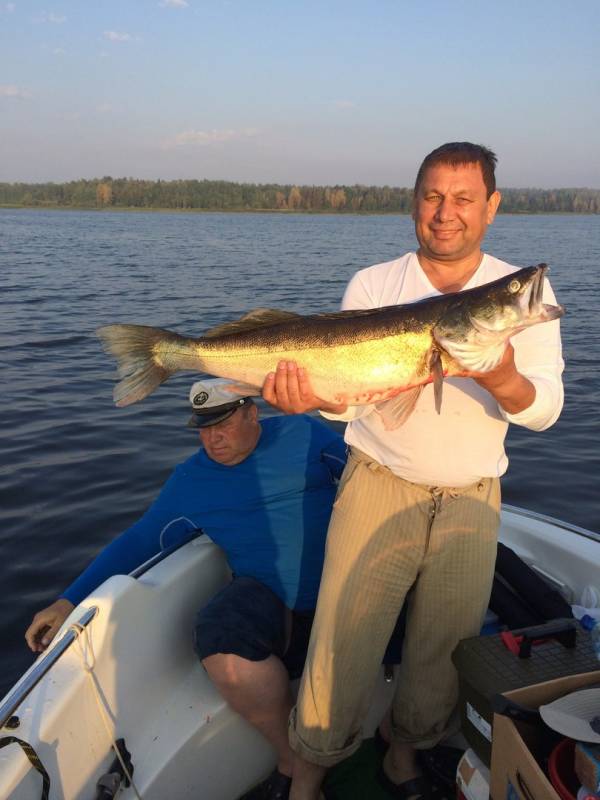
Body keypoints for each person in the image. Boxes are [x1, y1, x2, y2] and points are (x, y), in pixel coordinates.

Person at [261, 142, 565, 800]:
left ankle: (404, 761)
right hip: (377, 480)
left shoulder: (521, 294)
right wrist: (305, 395)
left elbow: (544, 411)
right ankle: (309, 772)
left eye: (462, 199)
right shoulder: (376, 284)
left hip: (471, 497)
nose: (445, 212)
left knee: (443, 647)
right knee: (343, 640)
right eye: (432, 196)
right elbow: (349, 402)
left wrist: (502, 373)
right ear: (414, 203)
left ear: (491, 207)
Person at [25, 378, 347, 800]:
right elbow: (138, 540)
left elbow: (363, 474)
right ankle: (291, 759)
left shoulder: (305, 434)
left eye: (223, 424)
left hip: (348, 586)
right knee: (219, 638)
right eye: (202, 427)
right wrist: (69, 598)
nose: (212, 438)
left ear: (252, 412)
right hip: (277, 603)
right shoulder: (190, 481)